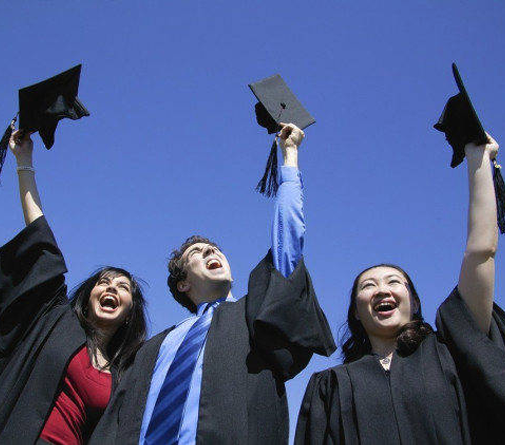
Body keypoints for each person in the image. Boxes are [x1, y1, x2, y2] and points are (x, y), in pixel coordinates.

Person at [90, 123, 336, 444]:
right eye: (197, 252)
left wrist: (289, 157)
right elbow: (117, 420)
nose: (211, 251)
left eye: (215, 249)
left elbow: (287, 247)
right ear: (182, 284)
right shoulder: (154, 348)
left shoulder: (253, 317)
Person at [295, 134, 505, 444]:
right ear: (356, 311)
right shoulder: (332, 387)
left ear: (414, 302)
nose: (382, 290)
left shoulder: (451, 350)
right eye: (368, 286)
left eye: (394, 282)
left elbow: (481, 252)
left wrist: (478, 160)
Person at [0, 128, 148, 445]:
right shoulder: (57, 322)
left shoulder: (124, 373)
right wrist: (24, 162)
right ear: (89, 294)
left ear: (129, 313)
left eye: (123, 287)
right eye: (104, 282)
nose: (111, 288)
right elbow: (41, 239)